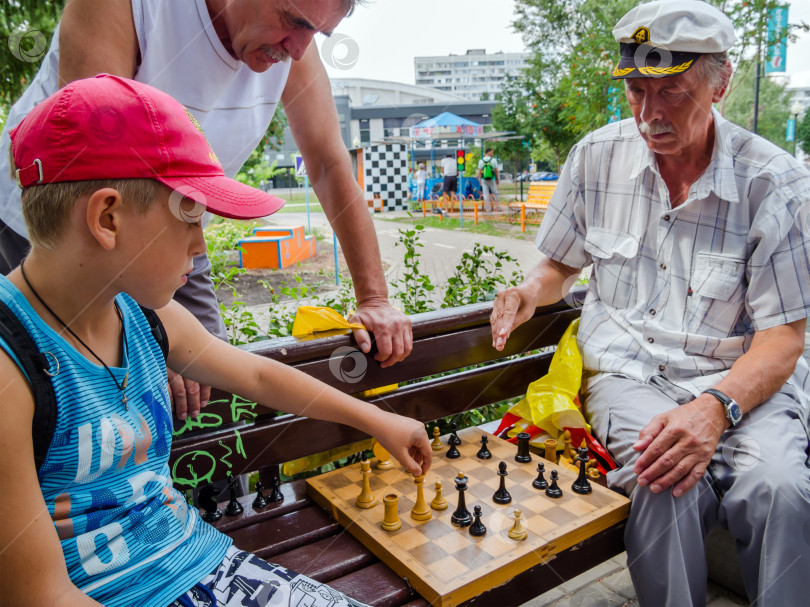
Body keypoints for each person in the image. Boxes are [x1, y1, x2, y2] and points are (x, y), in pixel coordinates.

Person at [0, 74, 432, 607]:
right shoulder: (11, 362)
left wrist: (377, 420)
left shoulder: (143, 314)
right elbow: (39, 595)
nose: (201, 244)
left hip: (203, 564)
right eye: (190, 216)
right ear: (107, 218)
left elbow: (254, 374)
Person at [490, 2, 810, 605]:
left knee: (780, 488)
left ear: (722, 83)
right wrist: (531, 290)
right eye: (637, 91)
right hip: (631, 375)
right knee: (665, 483)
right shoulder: (595, 156)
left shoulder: (776, 182)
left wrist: (716, 408)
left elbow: (782, 339)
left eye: (672, 92)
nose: (650, 114)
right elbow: (561, 263)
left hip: (740, 380)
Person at [0, 0, 413, 419]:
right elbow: (93, 169)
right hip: (49, 237)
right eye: (293, 22)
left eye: (316, 33)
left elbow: (328, 164)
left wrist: (375, 298)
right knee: (64, 402)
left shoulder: (292, 47)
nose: (301, 50)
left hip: (170, 233)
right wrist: (149, 332)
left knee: (207, 400)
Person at [476, 148, 500, 212]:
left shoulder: (481, 160)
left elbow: (480, 171)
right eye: (492, 152)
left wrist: (480, 180)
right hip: (492, 179)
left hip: (484, 180)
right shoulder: (493, 160)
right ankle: (498, 207)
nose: (492, 154)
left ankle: (488, 209)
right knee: (495, 193)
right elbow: (496, 171)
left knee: (486, 194)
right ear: (488, 152)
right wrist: (497, 179)